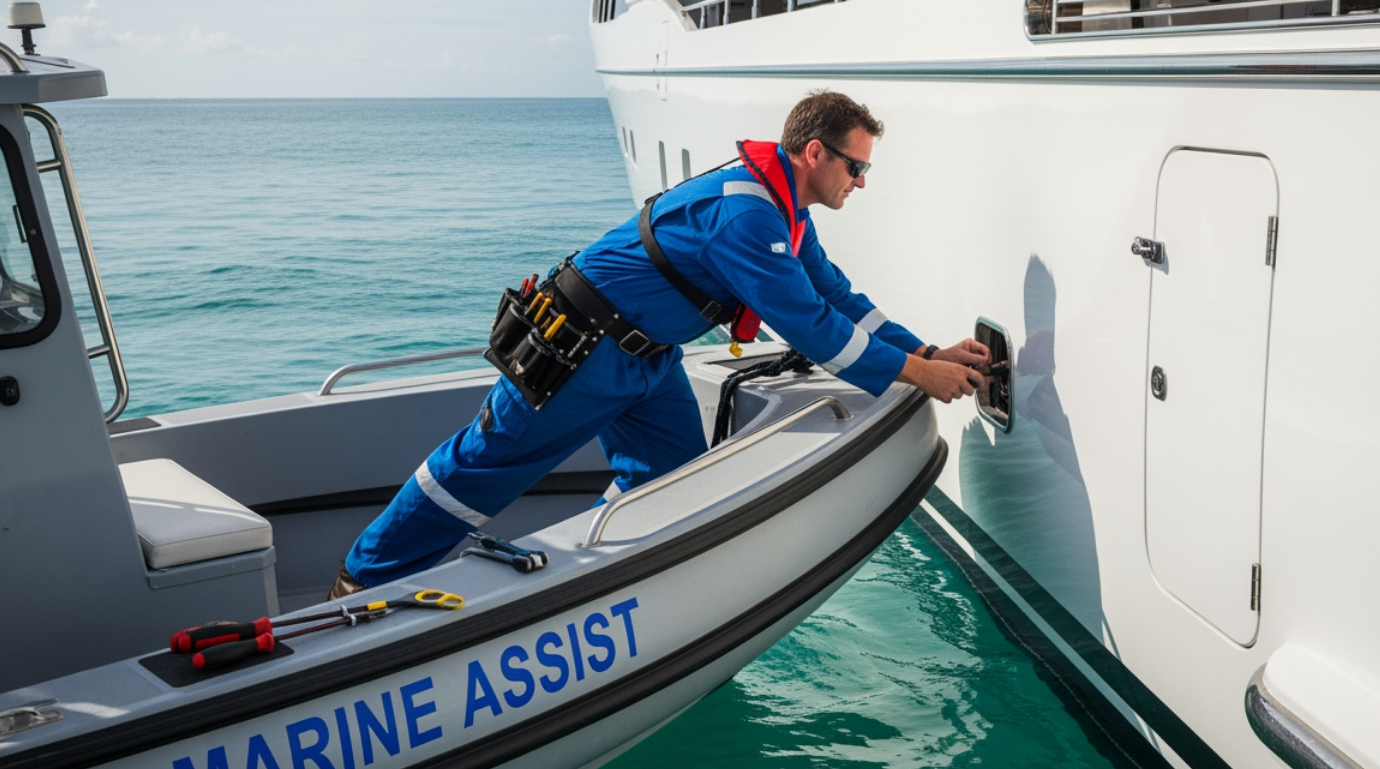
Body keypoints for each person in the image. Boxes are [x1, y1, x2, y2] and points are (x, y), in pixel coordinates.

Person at [330, 91, 986, 597]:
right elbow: (811, 328)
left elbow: (838, 298)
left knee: (669, 480)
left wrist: (925, 353)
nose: (862, 181)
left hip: (650, 359)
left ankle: (577, 577)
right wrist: (914, 377)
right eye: (857, 165)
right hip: (583, 351)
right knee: (482, 467)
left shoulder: (784, 209)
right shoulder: (749, 214)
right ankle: (363, 579)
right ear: (815, 153)